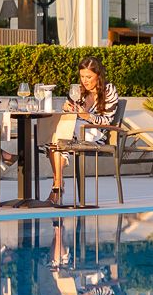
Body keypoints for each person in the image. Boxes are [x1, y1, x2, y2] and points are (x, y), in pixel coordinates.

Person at [47, 56, 118, 208]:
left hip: (95, 133)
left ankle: (57, 186)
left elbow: (108, 121)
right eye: (82, 76)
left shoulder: (109, 90)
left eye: (89, 77)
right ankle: (58, 183)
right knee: (55, 134)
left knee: (56, 138)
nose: (85, 80)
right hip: (73, 131)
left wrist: (87, 116)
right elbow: (71, 114)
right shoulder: (78, 91)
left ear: (98, 76)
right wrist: (67, 108)